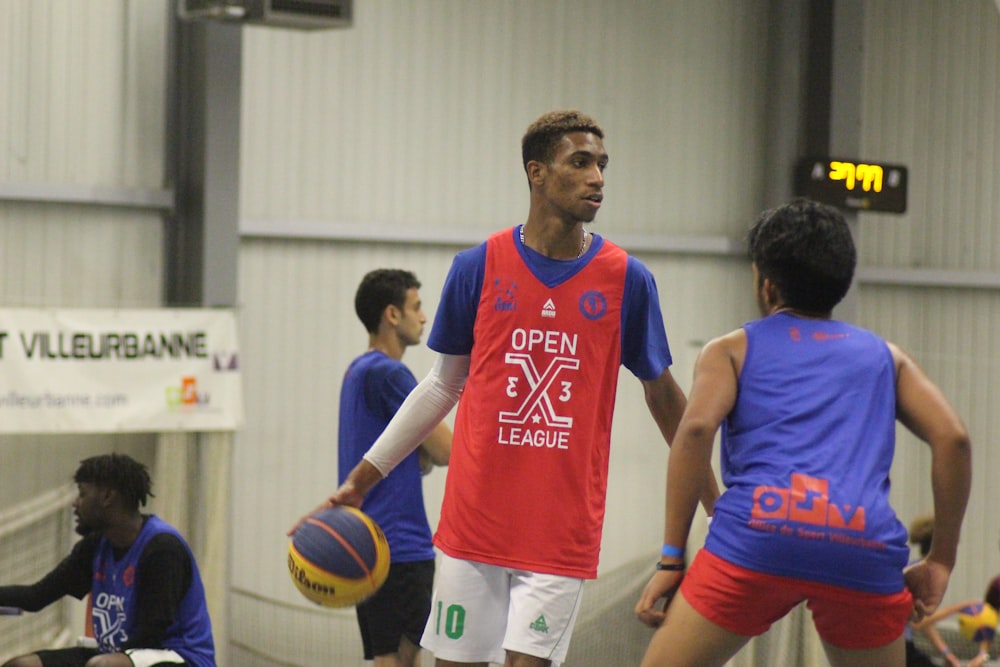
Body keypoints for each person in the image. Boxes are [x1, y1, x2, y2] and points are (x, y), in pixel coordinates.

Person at [300, 109, 718, 667]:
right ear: (537, 172)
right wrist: (360, 480)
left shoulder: (626, 279)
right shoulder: (478, 266)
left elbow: (665, 399)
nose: (598, 177)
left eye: (602, 164)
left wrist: (718, 501)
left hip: (560, 530)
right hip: (474, 523)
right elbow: (441, 386)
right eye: (581, 162)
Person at [635, 198, 972, 667]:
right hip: (861, 545)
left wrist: (672, 558)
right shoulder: (886, 357)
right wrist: (941, 559)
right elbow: (953, 439)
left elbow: (694, 432)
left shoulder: (731, 350)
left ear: (766, 284)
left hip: (759, 535)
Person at [0, 453, 215, 667]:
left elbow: (150, 635)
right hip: (119, 654)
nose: (75, 503)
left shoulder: (162, 549)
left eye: (82, 494)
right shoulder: (94, 547)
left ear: (107, 497)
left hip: (179, 657)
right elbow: (35, 597)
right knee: (22, 665)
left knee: (104, 665)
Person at [338, 268, 452, 667]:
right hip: (400, 545)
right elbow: (446, 450)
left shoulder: (357, 370)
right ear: (391, 314)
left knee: (386, 658)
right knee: (402, 661)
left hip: (365, 542)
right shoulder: (391, 373)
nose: (423, 317)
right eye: (416, 307)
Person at [906, 516, 960, 667]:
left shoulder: (915, 568)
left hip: (906, 646)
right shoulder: (923, 575)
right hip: (900, 645)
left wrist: (946, 653)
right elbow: (918, 623)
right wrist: (960, 608)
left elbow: (925, 622)